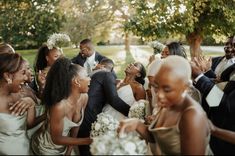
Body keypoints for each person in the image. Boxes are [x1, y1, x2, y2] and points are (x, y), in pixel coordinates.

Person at [118, 56, 212, 155]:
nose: (159, 95)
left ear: (185, 87)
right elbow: (157, 137)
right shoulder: (168, 104)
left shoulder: (191, 116)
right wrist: (136, 124)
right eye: (156, 87)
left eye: (167, 89)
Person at [31, 57, 92, 155]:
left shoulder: (84, 97)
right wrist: (88, 141)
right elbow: (56, 139)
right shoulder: (59, 106)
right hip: (48, 148)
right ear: (76, 81)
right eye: (87, 76)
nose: (90, 79)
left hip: (66, 144)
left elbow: (75, 128)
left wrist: (69, 151)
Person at [77, 58, 131, 155]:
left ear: (101, 65)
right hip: (89, 115)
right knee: (88, 150)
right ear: (110, 69)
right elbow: (114, 100)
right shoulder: (106, 74)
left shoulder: (92, 74)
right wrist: (131, 113)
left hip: (79, 113)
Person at [191, 36, 235, 154]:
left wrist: (200, 77)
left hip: (227, 140)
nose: (232, 49)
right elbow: (221, 87)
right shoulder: (231, 68)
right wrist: (206, 73)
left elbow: (225, 106)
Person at [0, 53, 36, 154]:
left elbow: (28, 125)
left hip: (25, 149)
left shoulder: (20, 93)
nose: (26, 78)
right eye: (23, 73)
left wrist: (31, 105)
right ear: (8, 76)